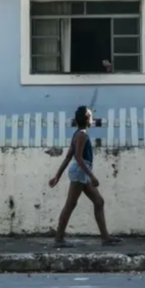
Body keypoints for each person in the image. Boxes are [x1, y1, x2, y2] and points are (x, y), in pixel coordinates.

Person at [48, 106, 122, 247]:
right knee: (70, 205)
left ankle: (105, 238)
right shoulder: (82, 135)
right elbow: (78, 157)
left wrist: (57, 176)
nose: (92, 117)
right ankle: (58, 239)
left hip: (80, 171)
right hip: (81, 171)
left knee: (98, 201)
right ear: (88, 120)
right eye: (91, 115)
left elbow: (69, 157)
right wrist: (92, 176)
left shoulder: (77, 134)